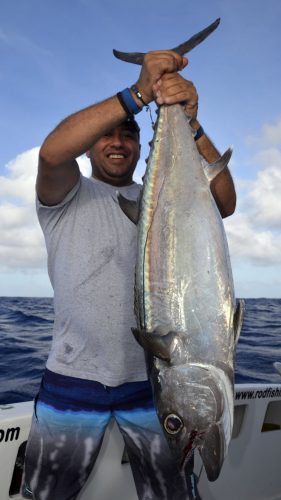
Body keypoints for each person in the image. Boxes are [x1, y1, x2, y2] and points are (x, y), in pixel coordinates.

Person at [22, 50, 236, 500]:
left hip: (153, 386)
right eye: (106, 135)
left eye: (128, 135)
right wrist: (139, 94)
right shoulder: (64, 195)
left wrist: (190, 122)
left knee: (172, 493)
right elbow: (52, 151)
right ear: (90, 145)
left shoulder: (163, 195)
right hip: (72, 380)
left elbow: (226, 202)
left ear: (141, 146)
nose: (117, 142)